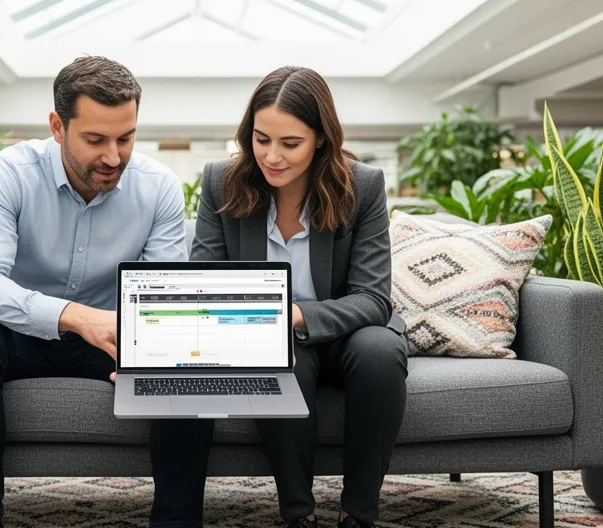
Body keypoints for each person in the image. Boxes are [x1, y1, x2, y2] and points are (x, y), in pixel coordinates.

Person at [148, 66, 408, 528]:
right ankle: (298, 514)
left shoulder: (362, 185)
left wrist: (292, 315)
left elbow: (372, 299)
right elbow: (205, 283)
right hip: (265, 335)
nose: (272, 156)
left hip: (347, 332)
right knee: (279, 355)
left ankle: (359, 512)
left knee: (380, 351)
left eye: (290, 144)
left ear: (321, 139)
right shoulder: (221, 181)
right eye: (261, 139)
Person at [0, 56, 187, 528]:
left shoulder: (158, 188)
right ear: (58, 127)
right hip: (20, 338)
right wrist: (74, 315)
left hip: (110, 341)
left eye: (125, 138)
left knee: (178, 358)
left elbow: (163, 297)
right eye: (95, 140)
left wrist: (147, 348)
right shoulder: (9, 173)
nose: (113, 157)